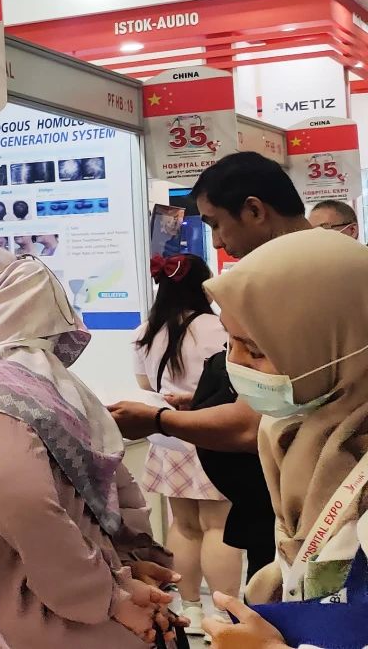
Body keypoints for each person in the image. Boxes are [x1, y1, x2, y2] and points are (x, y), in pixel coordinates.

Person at [0, 246, 183, 648]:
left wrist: (105, 596)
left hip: (24, 623)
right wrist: (125, 567)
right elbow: (114, 487)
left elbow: (29, 508)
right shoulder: (44, 379)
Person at [108, 152, 307, 579]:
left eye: (216, 224)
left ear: (254, 210)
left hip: (308, 505)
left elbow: (251, 424)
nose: (216, 243)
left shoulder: (287, 287)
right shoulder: (305, 275)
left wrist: (159, 420)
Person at [201, 229, 368, 647]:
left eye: (256, 350)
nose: (236, 363)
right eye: (229, 341)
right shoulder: (290, 432)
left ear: (338, 346)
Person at [133, 254, 241, 633]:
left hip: (168, 436)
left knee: (183, 524)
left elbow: (144, 384)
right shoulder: (215, 326)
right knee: (218, 527)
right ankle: (225, 615)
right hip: (211, 431)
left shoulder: (147, 330)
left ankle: (190, 609)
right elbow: (234, 378)